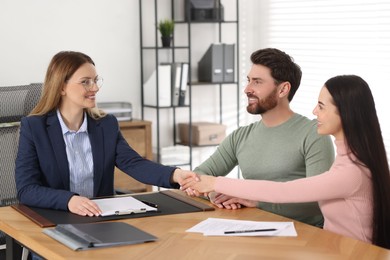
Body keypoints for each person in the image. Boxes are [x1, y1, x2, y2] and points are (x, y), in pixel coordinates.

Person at [183, 75, 390, 248]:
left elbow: (284, 191)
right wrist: (254, 201)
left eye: (321, 106)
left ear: (346, 113)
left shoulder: (352, 171)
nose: (314, 111)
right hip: (333, 248)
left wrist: (215, 182)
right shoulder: (349, 158)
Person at [15, 51, 197, 217]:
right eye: (85, 82)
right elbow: (27, 189)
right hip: (55, 217)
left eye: (95, 80)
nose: (95, 88)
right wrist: (68, 200)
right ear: (62, 87)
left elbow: (134, 163)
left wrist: (176, 175)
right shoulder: (34, 127)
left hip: (100, 218)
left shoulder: (105, 125)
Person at [189, 48, 335, 227]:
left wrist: (256, 201)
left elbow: (318, 201)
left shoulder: (314, 134)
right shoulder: (240, 136)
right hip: (254, 229)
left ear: (283, 89)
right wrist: (215, 194)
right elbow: (198, 175)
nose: (247, 89)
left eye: (257, 82)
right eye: (249, 81)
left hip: (304, 236)